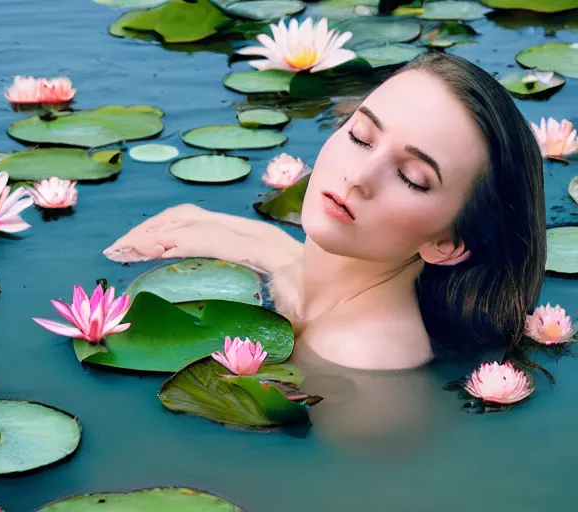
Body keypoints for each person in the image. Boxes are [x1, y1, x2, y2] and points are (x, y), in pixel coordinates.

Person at [104, 53, 546, 372]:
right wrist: (256, 244)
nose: (360, 175)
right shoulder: (322, 280)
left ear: (447, 244)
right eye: (361, 134)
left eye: (412, 177)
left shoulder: (361, 357)